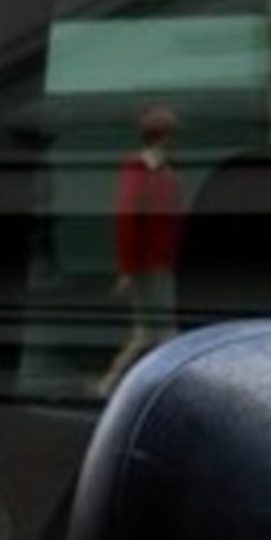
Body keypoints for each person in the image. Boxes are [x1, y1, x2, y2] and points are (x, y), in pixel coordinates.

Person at [111, 101, 185, 353]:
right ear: (165, 136)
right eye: (173, 134)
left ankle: (108, 384)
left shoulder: (163, 170)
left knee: (151, 332)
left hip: (161, 260)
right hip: (149, 263)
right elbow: (127, 219)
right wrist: (127, 269)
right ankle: (109, 384)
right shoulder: (138, 169)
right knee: (160, 332)